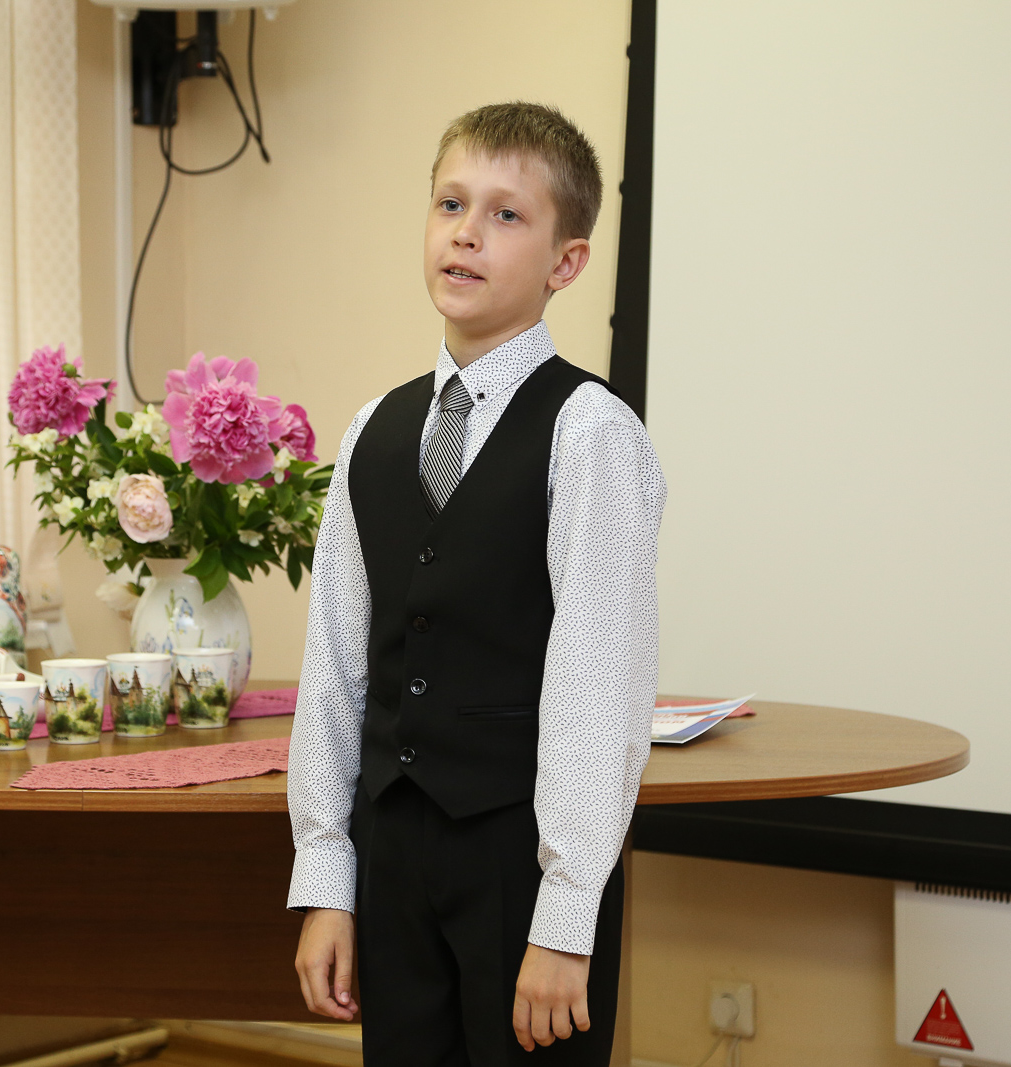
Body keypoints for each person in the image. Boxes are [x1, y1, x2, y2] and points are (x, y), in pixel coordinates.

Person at [287, 101, 667, 1065]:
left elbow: (598, 688)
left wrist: (567, 918)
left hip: (520, 863)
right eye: (451, 203)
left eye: (506, 214)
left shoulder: (591, 433)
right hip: (392, 855)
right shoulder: (372, 430)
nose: (466, 232)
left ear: (566, 263)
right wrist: (326, 877)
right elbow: (335, 667)